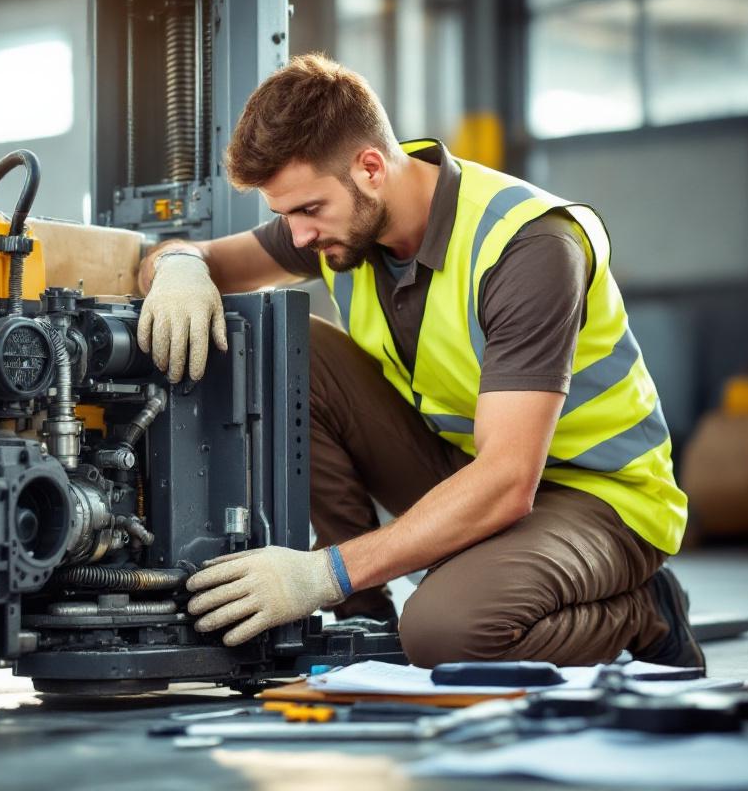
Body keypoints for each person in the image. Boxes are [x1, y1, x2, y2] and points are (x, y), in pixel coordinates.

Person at [136, 54, 703, 670]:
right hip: (465, 459)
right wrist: (179, 268)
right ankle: (365, 622)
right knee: (303, 353)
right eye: (284, 216)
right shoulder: (346, 222)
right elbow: (194, 255)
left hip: (600, 495)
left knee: (446, 633)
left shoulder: (528, 246)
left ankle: (643, 609)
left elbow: (510, 481)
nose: (297, 236)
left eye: (307, 210)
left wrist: (323, 574)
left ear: (371, 168)